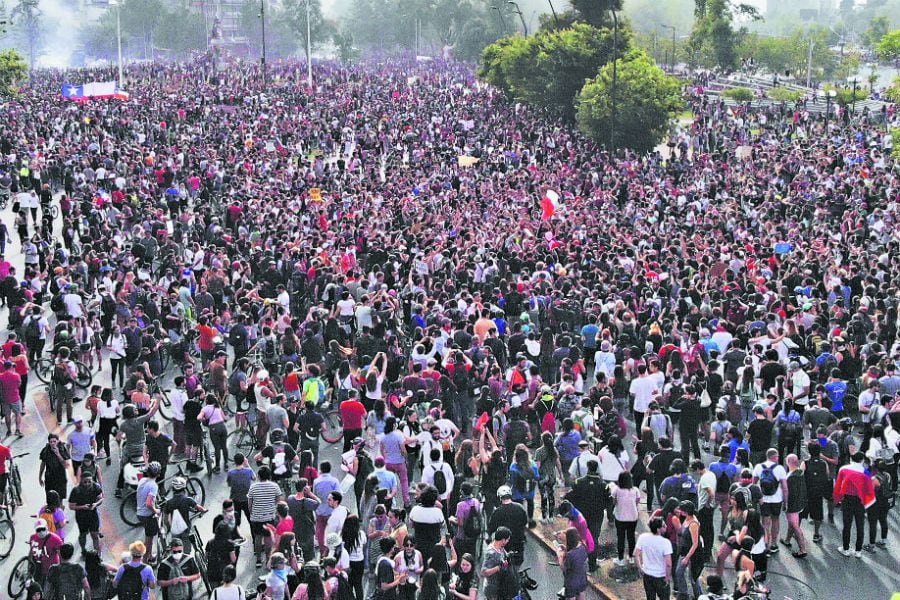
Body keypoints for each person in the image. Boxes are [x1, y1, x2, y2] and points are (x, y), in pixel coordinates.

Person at [833, 451, 876, 558]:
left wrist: (837, 499)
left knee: (847, 525)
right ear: (862, 460)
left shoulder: (843, 469)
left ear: (852, 459)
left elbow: (838, 485)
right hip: (860, 501)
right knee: (860, 526)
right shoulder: (865, 472)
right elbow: (869, 490)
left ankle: (846, 548)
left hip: (847, 500)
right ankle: (858, 551)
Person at [751, 448, 788, 553]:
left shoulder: (759, 467)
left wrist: (755, 499)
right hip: (777, 499)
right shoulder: (780, 468)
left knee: (765, 521)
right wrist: (786, 502)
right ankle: (774, 544)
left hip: (764, 499)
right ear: (773, 457)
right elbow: (785, 487)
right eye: (777, 456)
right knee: (775, 520)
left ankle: (765, 543)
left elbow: (754, 484)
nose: (778, 458)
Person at [247, 465, 283, 568]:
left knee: (258, 537)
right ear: (269, 476)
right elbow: (279, 502)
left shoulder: (253, 487)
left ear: (258, 476)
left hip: (256, 517)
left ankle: (258, 559)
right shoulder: (274, 486)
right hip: (269, 517)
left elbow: (250, 504)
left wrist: (252, 513)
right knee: (268, 539)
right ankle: (268, 558)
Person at [635, 517, 673, 600]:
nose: (666, 526)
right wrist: (667, 577)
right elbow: (669, 564)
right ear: (658, 529)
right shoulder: (665, 543)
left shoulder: (643, 537)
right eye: (663, 526)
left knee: (650, 597)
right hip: (661, 577)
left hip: (647, 575)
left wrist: (640, 568)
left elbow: (636, 554)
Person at [610, 470, 641, 566]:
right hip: (633, 517)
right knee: (631, 537)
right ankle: (631, 557)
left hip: (620, 517)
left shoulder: (616, 490)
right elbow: (637, 501)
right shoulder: (635, 490)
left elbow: (614, 503)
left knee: (621, 538)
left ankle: (620, 559)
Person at [68, 471, 104, 554]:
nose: (87, 483)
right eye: (85, 482)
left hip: (93, 514)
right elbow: (71, 506)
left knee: (95, 535)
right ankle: (83, 550)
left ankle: (97, 554)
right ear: (81, 481)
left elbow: (101, 498)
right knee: (83, 534)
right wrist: (82, 507)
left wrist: (96, 504)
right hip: (81, 517)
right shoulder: (76, 490)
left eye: (89, 481)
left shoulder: (96, 487)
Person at [780, 453, 808, 558]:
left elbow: (787, 493)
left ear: (788, 463)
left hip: (792, 505)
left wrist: (785, 505)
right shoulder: (800, 472)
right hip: (800, 503)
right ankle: (787, 540)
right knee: (792, 523)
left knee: (795, 526)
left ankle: (802, 549)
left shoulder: (789, 477)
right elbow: (803, 467)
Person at [674, 501, 703, 600]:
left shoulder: (693, 524)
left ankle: (699, 596)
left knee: (693, 577)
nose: (679, 511)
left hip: (692, 554)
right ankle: (683, 593)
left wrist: (687, 558)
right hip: (684, 551)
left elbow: (695, 544)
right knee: (679, 572)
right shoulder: (686, 519)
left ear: (686, 511)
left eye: (681, 510)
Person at [481, 527, 515, 600]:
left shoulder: (500, 547)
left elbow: (502, 558)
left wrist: (508, 555)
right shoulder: (491, 553)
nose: (508, 541)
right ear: (503, 540)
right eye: (507, 539)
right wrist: (499, 567)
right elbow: (484, 572)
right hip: (492, 590)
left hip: (500, 587)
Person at [29, 519, 63, 588]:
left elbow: (61, 555)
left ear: (47, 527)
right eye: (38, 530)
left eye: (43, 529)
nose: (41, 532)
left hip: (50, 569)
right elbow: (31, 550)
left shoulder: (56, 539)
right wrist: (30, 563)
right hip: (38, 567)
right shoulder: (33, 537)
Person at [39, 433, 71, 506]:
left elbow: (66, 465)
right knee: (50, 500)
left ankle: (60, 515)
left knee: (60, 501)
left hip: (60, 478)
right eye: (51, 442)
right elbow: (43, 463)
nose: (53, 443)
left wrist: (58, 454)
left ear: (58, 441)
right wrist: (40, 477)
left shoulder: (62, 449)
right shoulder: (46, 450)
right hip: (49, 478)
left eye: (54, 441)